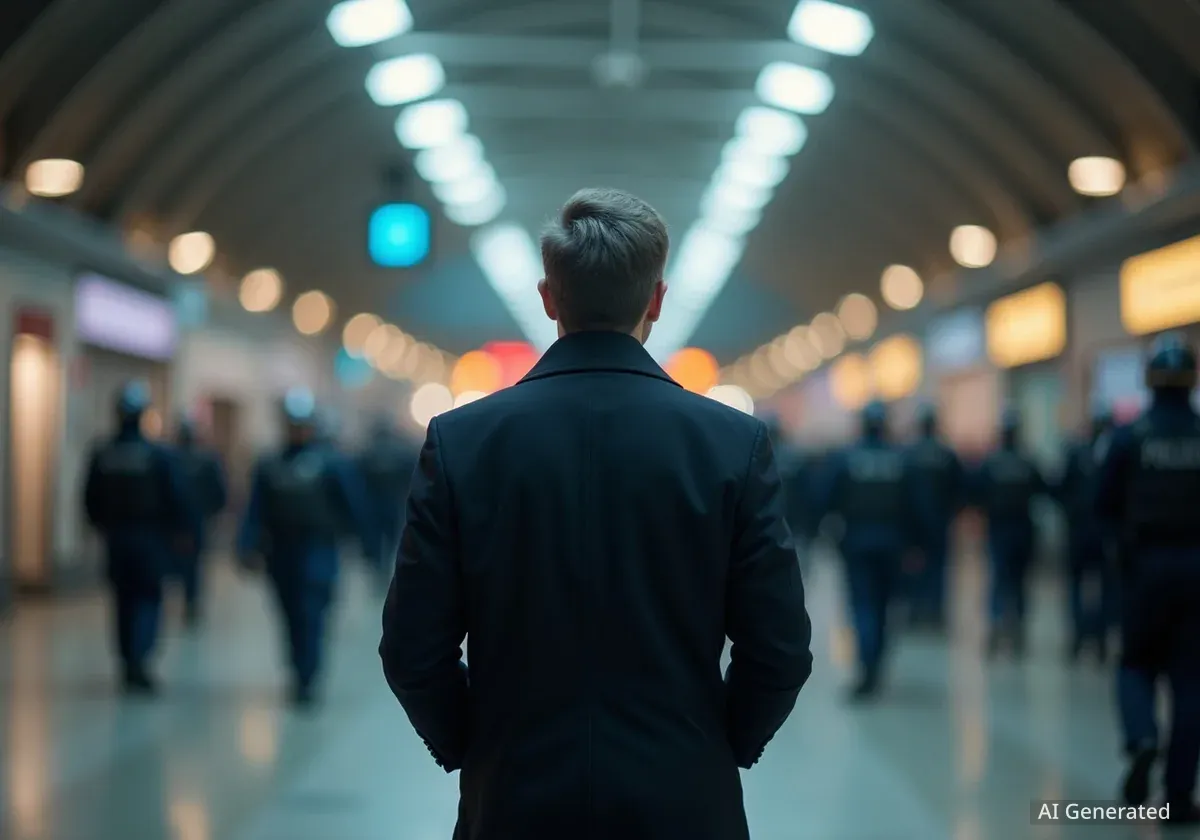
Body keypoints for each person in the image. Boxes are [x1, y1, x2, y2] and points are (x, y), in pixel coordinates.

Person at [380, 187, 813, 840]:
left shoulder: (462, 442)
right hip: (683, 799)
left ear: (548, 297)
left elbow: (412, 647)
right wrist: (718, 742)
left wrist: (476, 742)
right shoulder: (732, 445)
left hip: (513, 797)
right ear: (657, 300)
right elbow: (778, 650)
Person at [1097, 332, 1200, 823]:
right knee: (1191, 682)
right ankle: (1178, 797)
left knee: (1135, 664)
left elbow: (1101, 505)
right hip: (1198, 573)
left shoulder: (1128, 438)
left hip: (1144, 571)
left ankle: (1141, 737)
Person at [237, 388, 377, 708]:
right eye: (292, 425)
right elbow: (255, 510)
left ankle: (308, 676)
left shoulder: (332, 463)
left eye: (302, 425)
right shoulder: (271, 464)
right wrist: (246, 545)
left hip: (319, 551)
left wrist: (367, 544)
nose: (297, 431)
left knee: (312, 614)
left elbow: (354, 505)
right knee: (290, 615)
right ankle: (298, 669)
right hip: (281, 553)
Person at [83, 381, 197, 695]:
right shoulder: (158, 455)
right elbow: (177, 498)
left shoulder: (104, 453)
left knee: (123, 601)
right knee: (148, 598)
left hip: (117, 539)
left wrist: (103, 528)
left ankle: (127, 661)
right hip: (150, 540)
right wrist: (182, 533)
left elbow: (90, 500)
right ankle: (140, 659)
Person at [817, 399, 916, 700]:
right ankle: (877, 665)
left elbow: (825, 497)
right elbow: (917, 504)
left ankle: (867, 668)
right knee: (885, 606)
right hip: (893, 543)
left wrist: (824, 531)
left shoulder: (846, 458)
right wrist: (918, 544)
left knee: (863, 605)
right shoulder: (901, 459)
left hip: (857, 541)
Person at [973, 407, 1048, 656]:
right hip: (1022, 529)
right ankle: (1017, 628)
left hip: (999, 529)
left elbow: (976, 494)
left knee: (999, 578)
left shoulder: (991, 463)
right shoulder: (1028, 461)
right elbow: (1043, 490)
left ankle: (997, 624)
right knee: (1019, 581)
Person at [1055, 406, 1114, 662]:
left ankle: (1081, 636)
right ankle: (1097, 637)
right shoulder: (1114, 452)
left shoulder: (1077, 452)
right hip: (1102, 532)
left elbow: (1059, 489)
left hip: (1081, 530)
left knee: (1079, 585)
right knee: (1104, 587)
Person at [906, 403, 964, 632]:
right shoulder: (946, 454)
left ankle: (915, 611)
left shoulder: (908, 454)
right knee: (939, 568)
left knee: (913, 567)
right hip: (940, 522)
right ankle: (935, 612)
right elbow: (960, 489)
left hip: (914, 525)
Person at [172, 416, 228, 626]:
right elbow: (219, 494)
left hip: (182, 521)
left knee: (187, 563)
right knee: (193, 564)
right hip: (195, 520)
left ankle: (190, 599)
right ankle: (191, 599)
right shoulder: (205, 460)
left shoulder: (172, 459)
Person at [356, 415, 419, 584]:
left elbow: (359, 478)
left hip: (374, 502)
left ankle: (380, 566)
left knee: (378, 537)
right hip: (393, 501)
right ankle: (386, 567)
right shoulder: (400, 451)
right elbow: (412, 474)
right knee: (392, 537)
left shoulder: (369, 452)